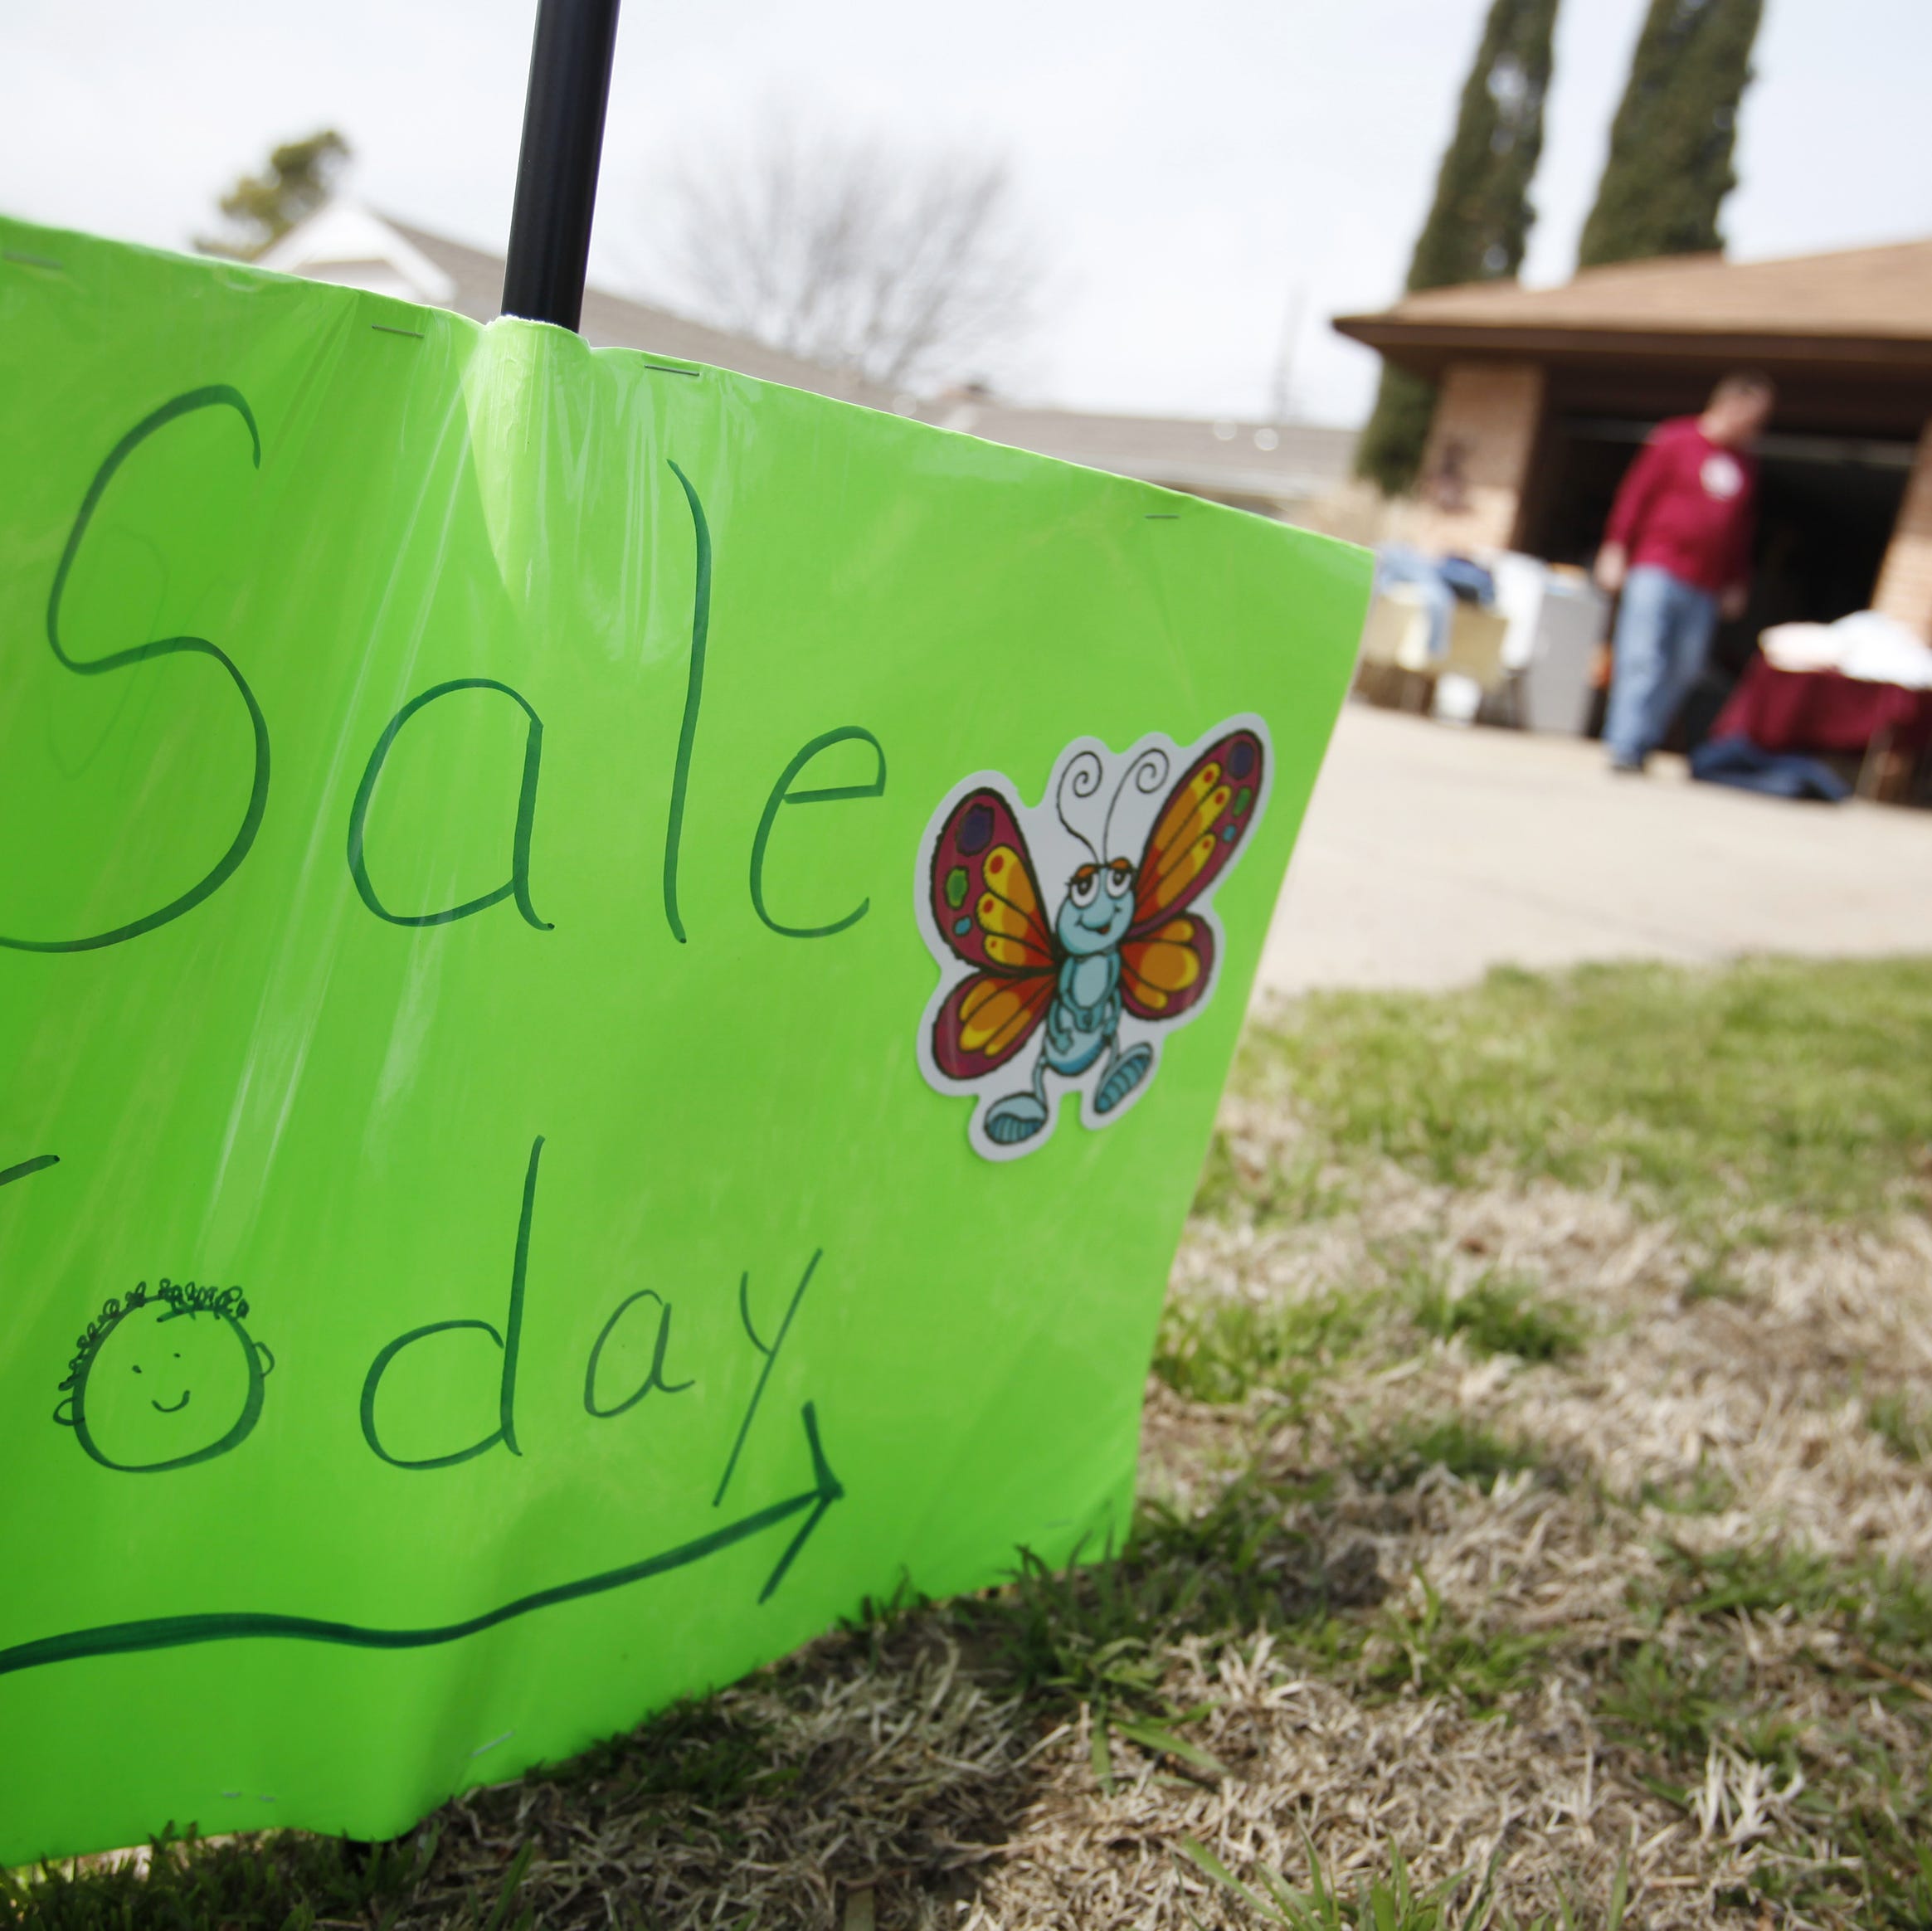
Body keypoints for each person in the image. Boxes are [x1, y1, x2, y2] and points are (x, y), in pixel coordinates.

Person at [1594, 372, 1774, 772]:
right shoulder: (1674, 440)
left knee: (1686, 668)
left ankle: (1643, 740)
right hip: (1656, 568)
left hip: (1706, 584)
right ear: (1731, 404)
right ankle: (1624, 746)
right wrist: (1615, 546)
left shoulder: (1744, 464)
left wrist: (1737, 581)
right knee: (1642, 656)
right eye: (1753, 416)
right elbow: (1635, 495)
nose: (1756, 427)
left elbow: (1741, 530)